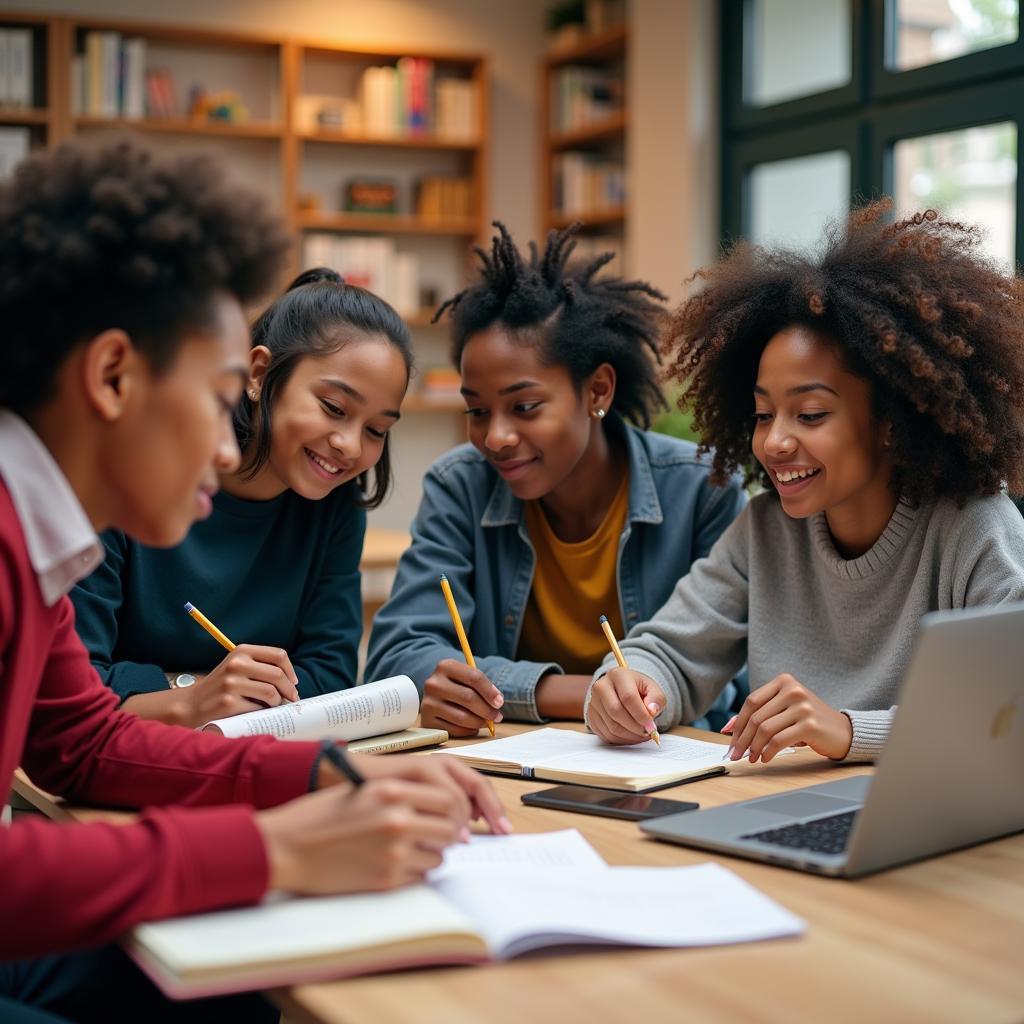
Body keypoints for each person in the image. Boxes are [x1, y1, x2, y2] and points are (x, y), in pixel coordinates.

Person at [0, 137, 506, 1024]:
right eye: (221, 394)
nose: (231, 449)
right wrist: (274, 851)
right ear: (114, 375)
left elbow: (81, 746)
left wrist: (327, 771)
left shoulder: (39, 538)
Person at [586, 201, 1024, 764]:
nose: (774, 443)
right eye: (764, 415)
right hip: (788, 814)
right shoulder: (765, 530)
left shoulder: (973, 528)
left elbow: (1006, 711)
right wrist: (632, 686)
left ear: (892, 421)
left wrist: (846, 730)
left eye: (810, 414)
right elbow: (668, 650)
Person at [366, 223, 747, 735]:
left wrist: (502, 688)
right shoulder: (462, 487)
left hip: (661, 761)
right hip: (510, 761)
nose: (495, 436)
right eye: (477, 411)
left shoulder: (703, 488)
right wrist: (584, 694)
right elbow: (398, 656)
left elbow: (720, 677)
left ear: (598, 390)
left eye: (524, 407)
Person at [71, 266, 411, 727]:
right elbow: (75, 683)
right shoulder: (131, 477)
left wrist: (198, 695)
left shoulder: (335, 506)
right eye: (333, 408)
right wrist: (194, 694)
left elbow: (330, 679)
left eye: (376, 430)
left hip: (251, 756)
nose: (350, 446)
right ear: (258, 374)